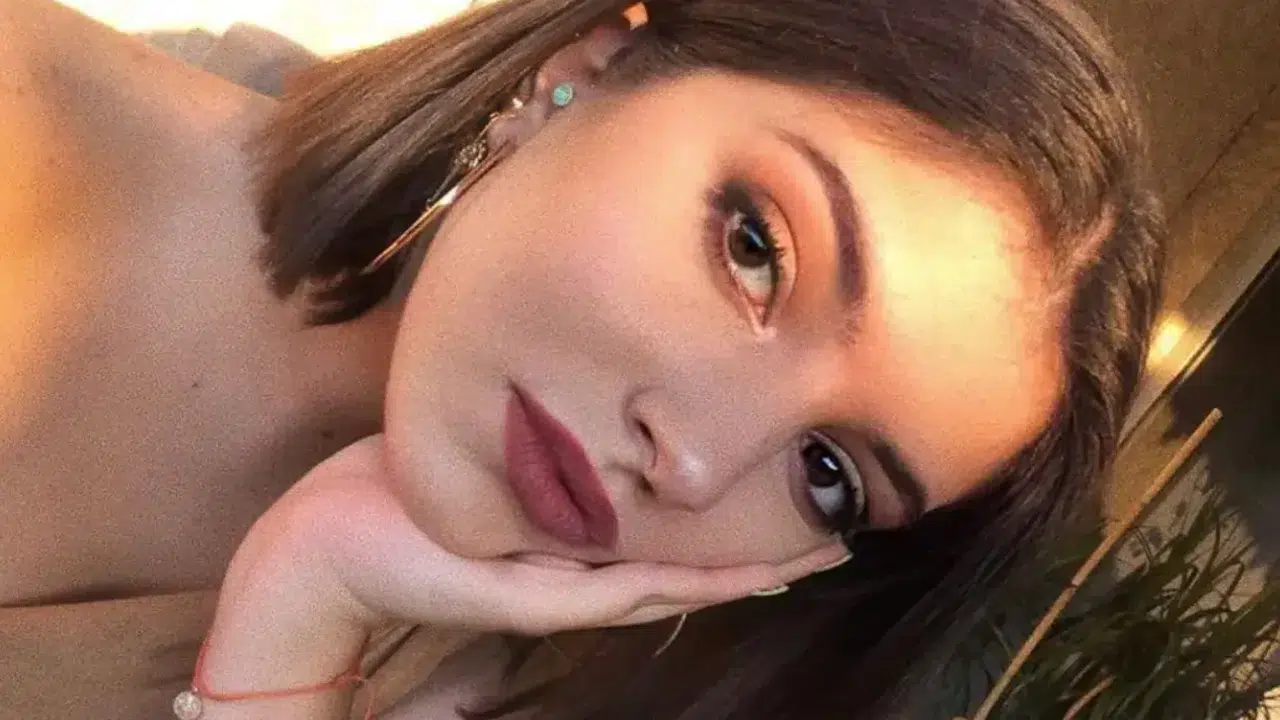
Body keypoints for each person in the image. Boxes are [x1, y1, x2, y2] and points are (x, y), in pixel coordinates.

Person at [0, 0, 1165, 718]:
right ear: (587, 66)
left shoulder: (479, 664)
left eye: (827, 474)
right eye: (755, 250)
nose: (694, 463)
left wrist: (302, 606)